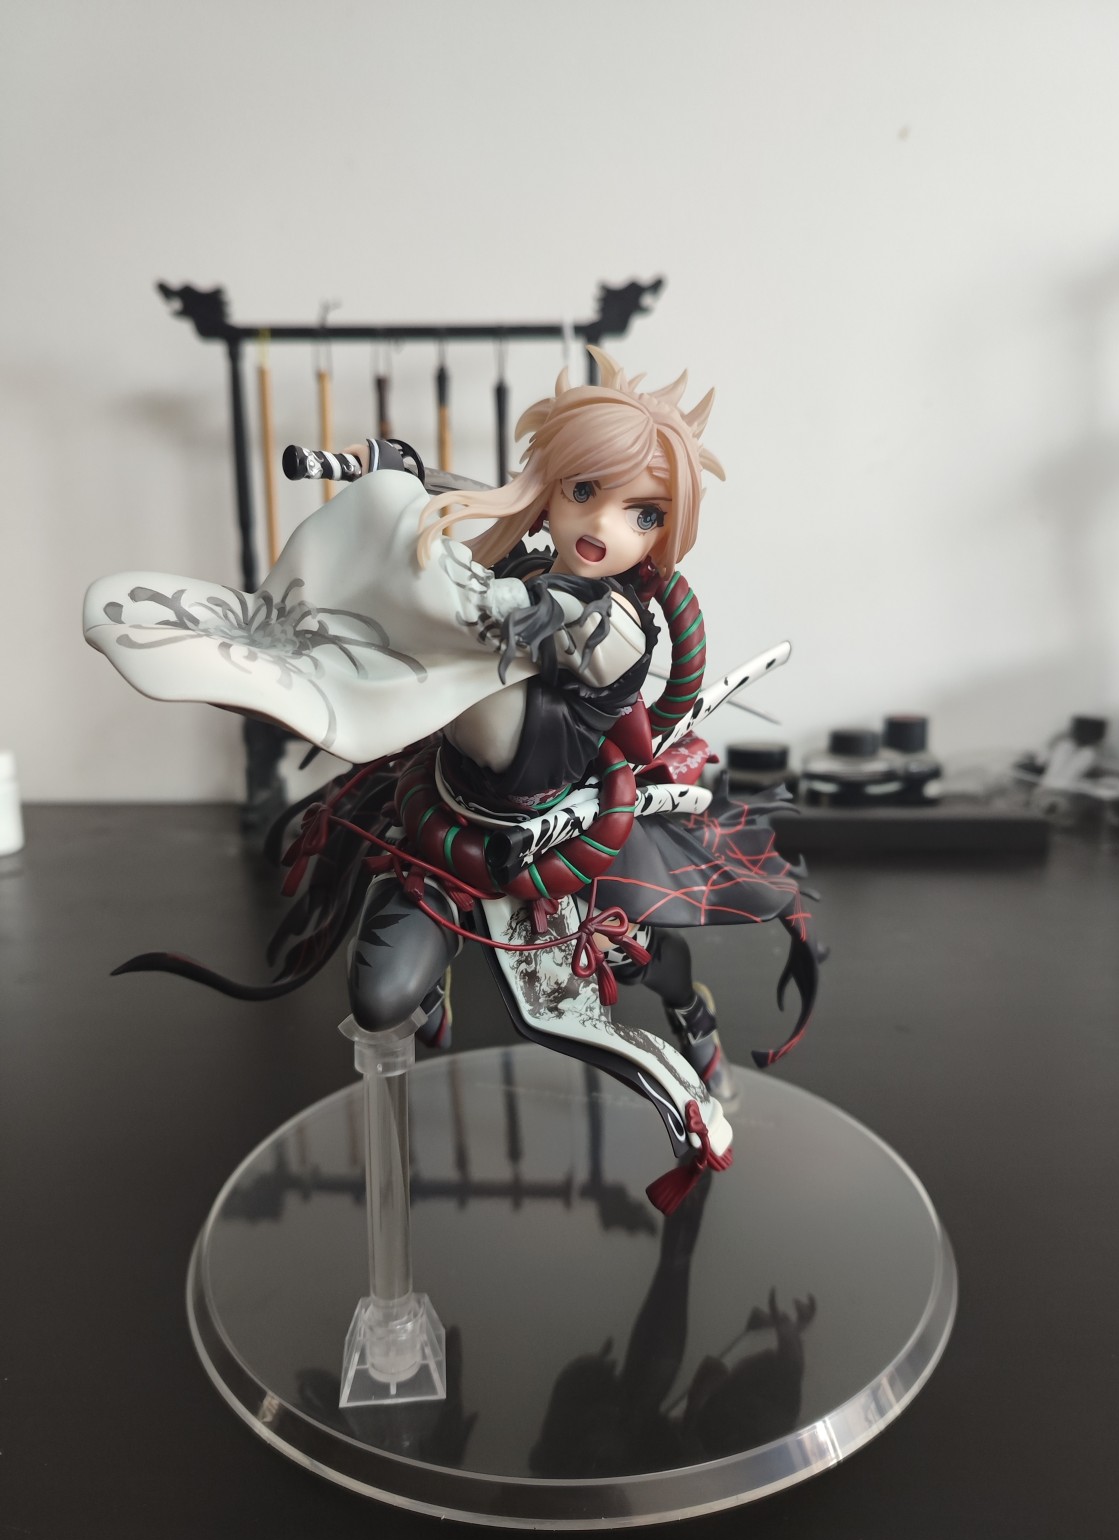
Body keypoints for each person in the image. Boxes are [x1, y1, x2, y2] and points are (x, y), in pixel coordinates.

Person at [83, 351, 816, 1208]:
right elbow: (452, 506)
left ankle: (692, 1024)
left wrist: (479, 586)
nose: (601, 523)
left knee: (637, 973)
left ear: (663, 530)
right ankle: (434, 986)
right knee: (379, 996)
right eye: (583, 490)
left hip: (555, 839)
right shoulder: (519, 558)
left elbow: (541, 622)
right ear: (550, 485)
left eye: (641, 512)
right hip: (450, 822)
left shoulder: (612, 621)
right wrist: (392, 476)